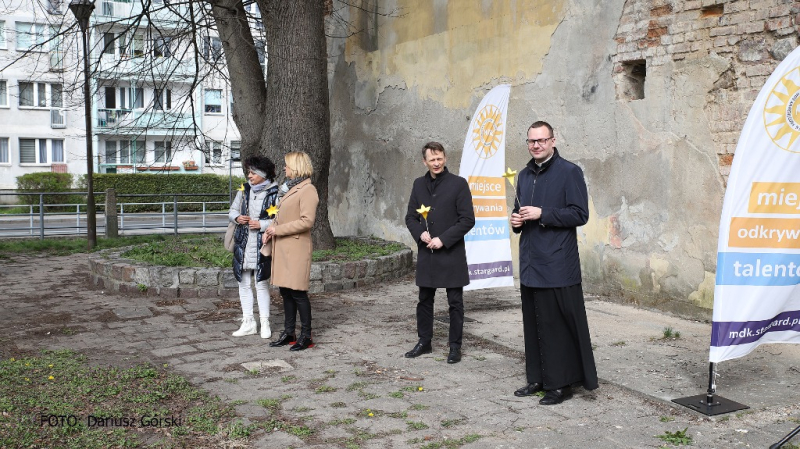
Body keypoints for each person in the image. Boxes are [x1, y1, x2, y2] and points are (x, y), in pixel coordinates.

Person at [510, 121, 598, 405]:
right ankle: (537, 378)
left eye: (541, 140)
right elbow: (521, 212)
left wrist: (542, 213)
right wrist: (516, 222)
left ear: (552, 141)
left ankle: (560, 385)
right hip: (531, 263)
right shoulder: (523, 175)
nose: (536, 145)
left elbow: (579, 214)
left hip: (558, 263)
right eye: (531, 141)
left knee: (556, 326)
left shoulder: (569, 172)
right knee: (534, 323)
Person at [404, 141, 475, 364]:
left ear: (445, 158)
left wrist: (443, 239)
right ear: (424, 161)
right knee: (424, 299)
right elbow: (410, 218)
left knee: (455, 302)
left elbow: (468, 220)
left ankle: (455, 346)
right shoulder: (418, 185)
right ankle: (424, 341)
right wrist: (420, 234)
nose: (436, 163)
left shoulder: (459, 184)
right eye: (432, 159)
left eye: (440, 158)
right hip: (428, 254)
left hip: (450, 253)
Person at [262, 151, 319, 351]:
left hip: (296, 248)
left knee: (298, 293)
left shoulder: (307, 190)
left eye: (287, 165)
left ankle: (306, 335)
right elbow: (283, 216)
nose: (284, 168)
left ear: (296, 166)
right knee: (285, 291)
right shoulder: (288, 189)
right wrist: (270, 230)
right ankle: (289, 333)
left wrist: (277, 229)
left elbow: (307, 221)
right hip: (283, 246)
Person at [228, 155, 279, 338]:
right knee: (243, 283)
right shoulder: (243, 190)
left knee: (261, 283)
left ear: (263, 174)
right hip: (243, 243)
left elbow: (279, 220)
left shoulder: (276, 193)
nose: (249, 176)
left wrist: (262, 225)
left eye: (252, 172)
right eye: (248, 172)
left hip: (262, 244)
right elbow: (232, 210)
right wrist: (237, 218)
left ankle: (265, 322)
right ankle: (248, 322)